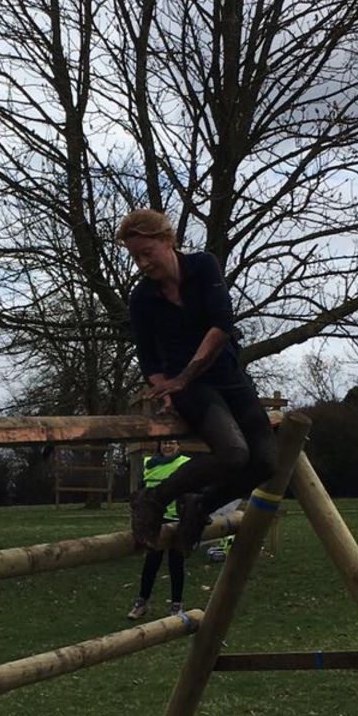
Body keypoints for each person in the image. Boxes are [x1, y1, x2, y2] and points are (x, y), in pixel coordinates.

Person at [118, 207, 279, 555]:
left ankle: (200, 505)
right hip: (191, 388)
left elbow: (221, 325)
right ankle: (153, 499)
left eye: (147, 253)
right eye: (134, 257)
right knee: (234, 453)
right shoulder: (142, 298)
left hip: (227, 376)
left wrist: (184, 376)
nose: (142, 264)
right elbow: (148, 355)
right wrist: (166, 388)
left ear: (168, 240)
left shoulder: (204, 266)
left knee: (266, 461)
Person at [126, 438, 189, 619]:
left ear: (178, 445)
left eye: (172, 443)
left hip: (177, 520)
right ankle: (142, 602)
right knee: (151, 563)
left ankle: (177, 605)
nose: (167, 446)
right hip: (154, 522)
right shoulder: (148, 463)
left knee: (176, 564)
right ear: (159, 446)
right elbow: (141, 489)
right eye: (164, 443)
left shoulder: (185, 463)